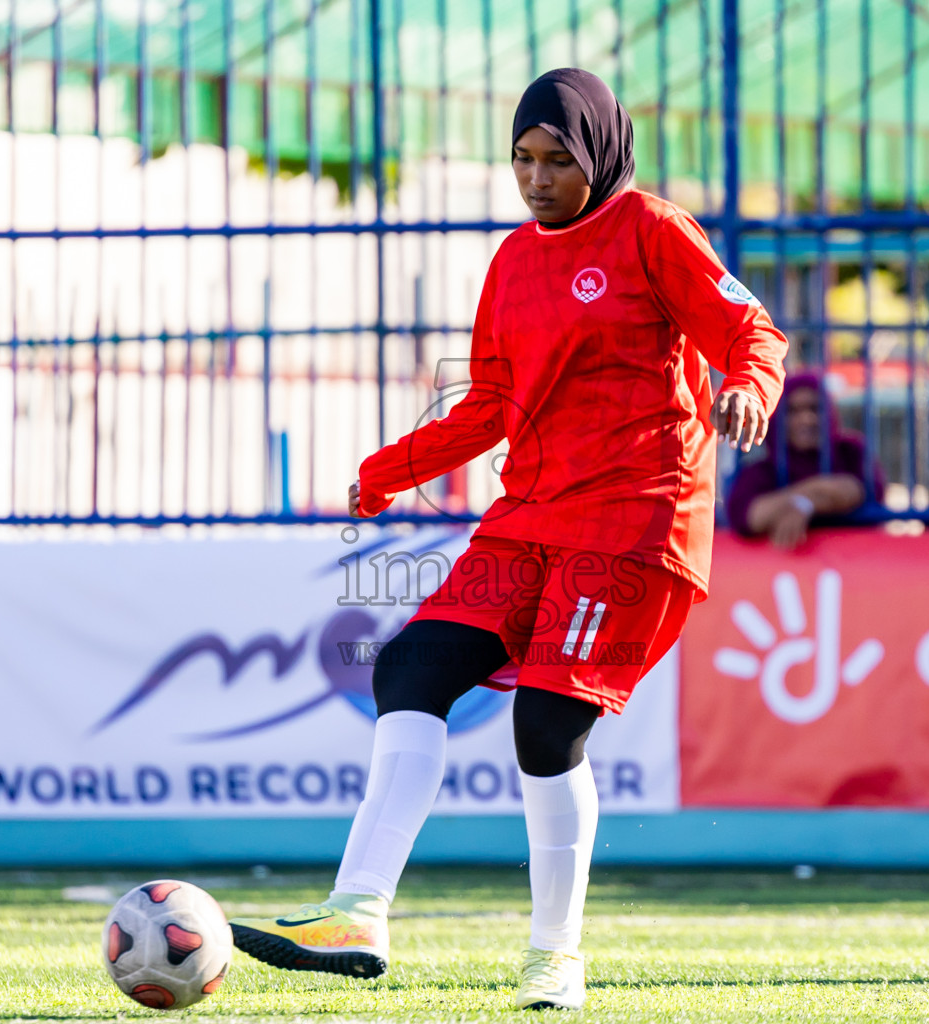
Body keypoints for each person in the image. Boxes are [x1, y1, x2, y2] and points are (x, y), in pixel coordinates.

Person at [227, 68, 788, 1011]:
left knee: (545, 723)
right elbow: (489, 402)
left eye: (558, 158)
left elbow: (751, 330)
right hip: (529, 518)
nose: (536, 178)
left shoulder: (654, 230)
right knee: (408, 672)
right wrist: (388, 470)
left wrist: (747, 389)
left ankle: (554, 957)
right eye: (522, 158)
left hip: (635, 524)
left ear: (600, 153)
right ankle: (357, 912)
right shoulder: (512, 259)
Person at [725, 373, 884, 548]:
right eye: (793, 411)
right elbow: (749, 515)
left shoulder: (851, 452)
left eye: (815, 408)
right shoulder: (762, 471)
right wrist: (809, 499)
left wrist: (805, 504)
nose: (807, 419)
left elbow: (859, 491)